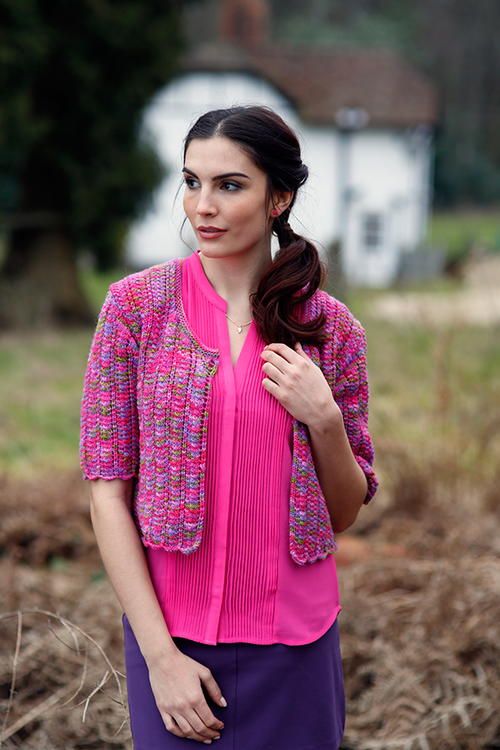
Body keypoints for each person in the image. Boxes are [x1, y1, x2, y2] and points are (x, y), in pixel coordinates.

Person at [79, 104, 379, 749]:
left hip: (295, 647)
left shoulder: (331, 330)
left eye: (229, 185)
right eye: (192, 182)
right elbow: (107, 494)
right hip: (174, 649)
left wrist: (325, 419)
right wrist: (160, 659)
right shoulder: (135, 310)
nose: (202, 206)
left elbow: (346, 511)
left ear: (280, 197)